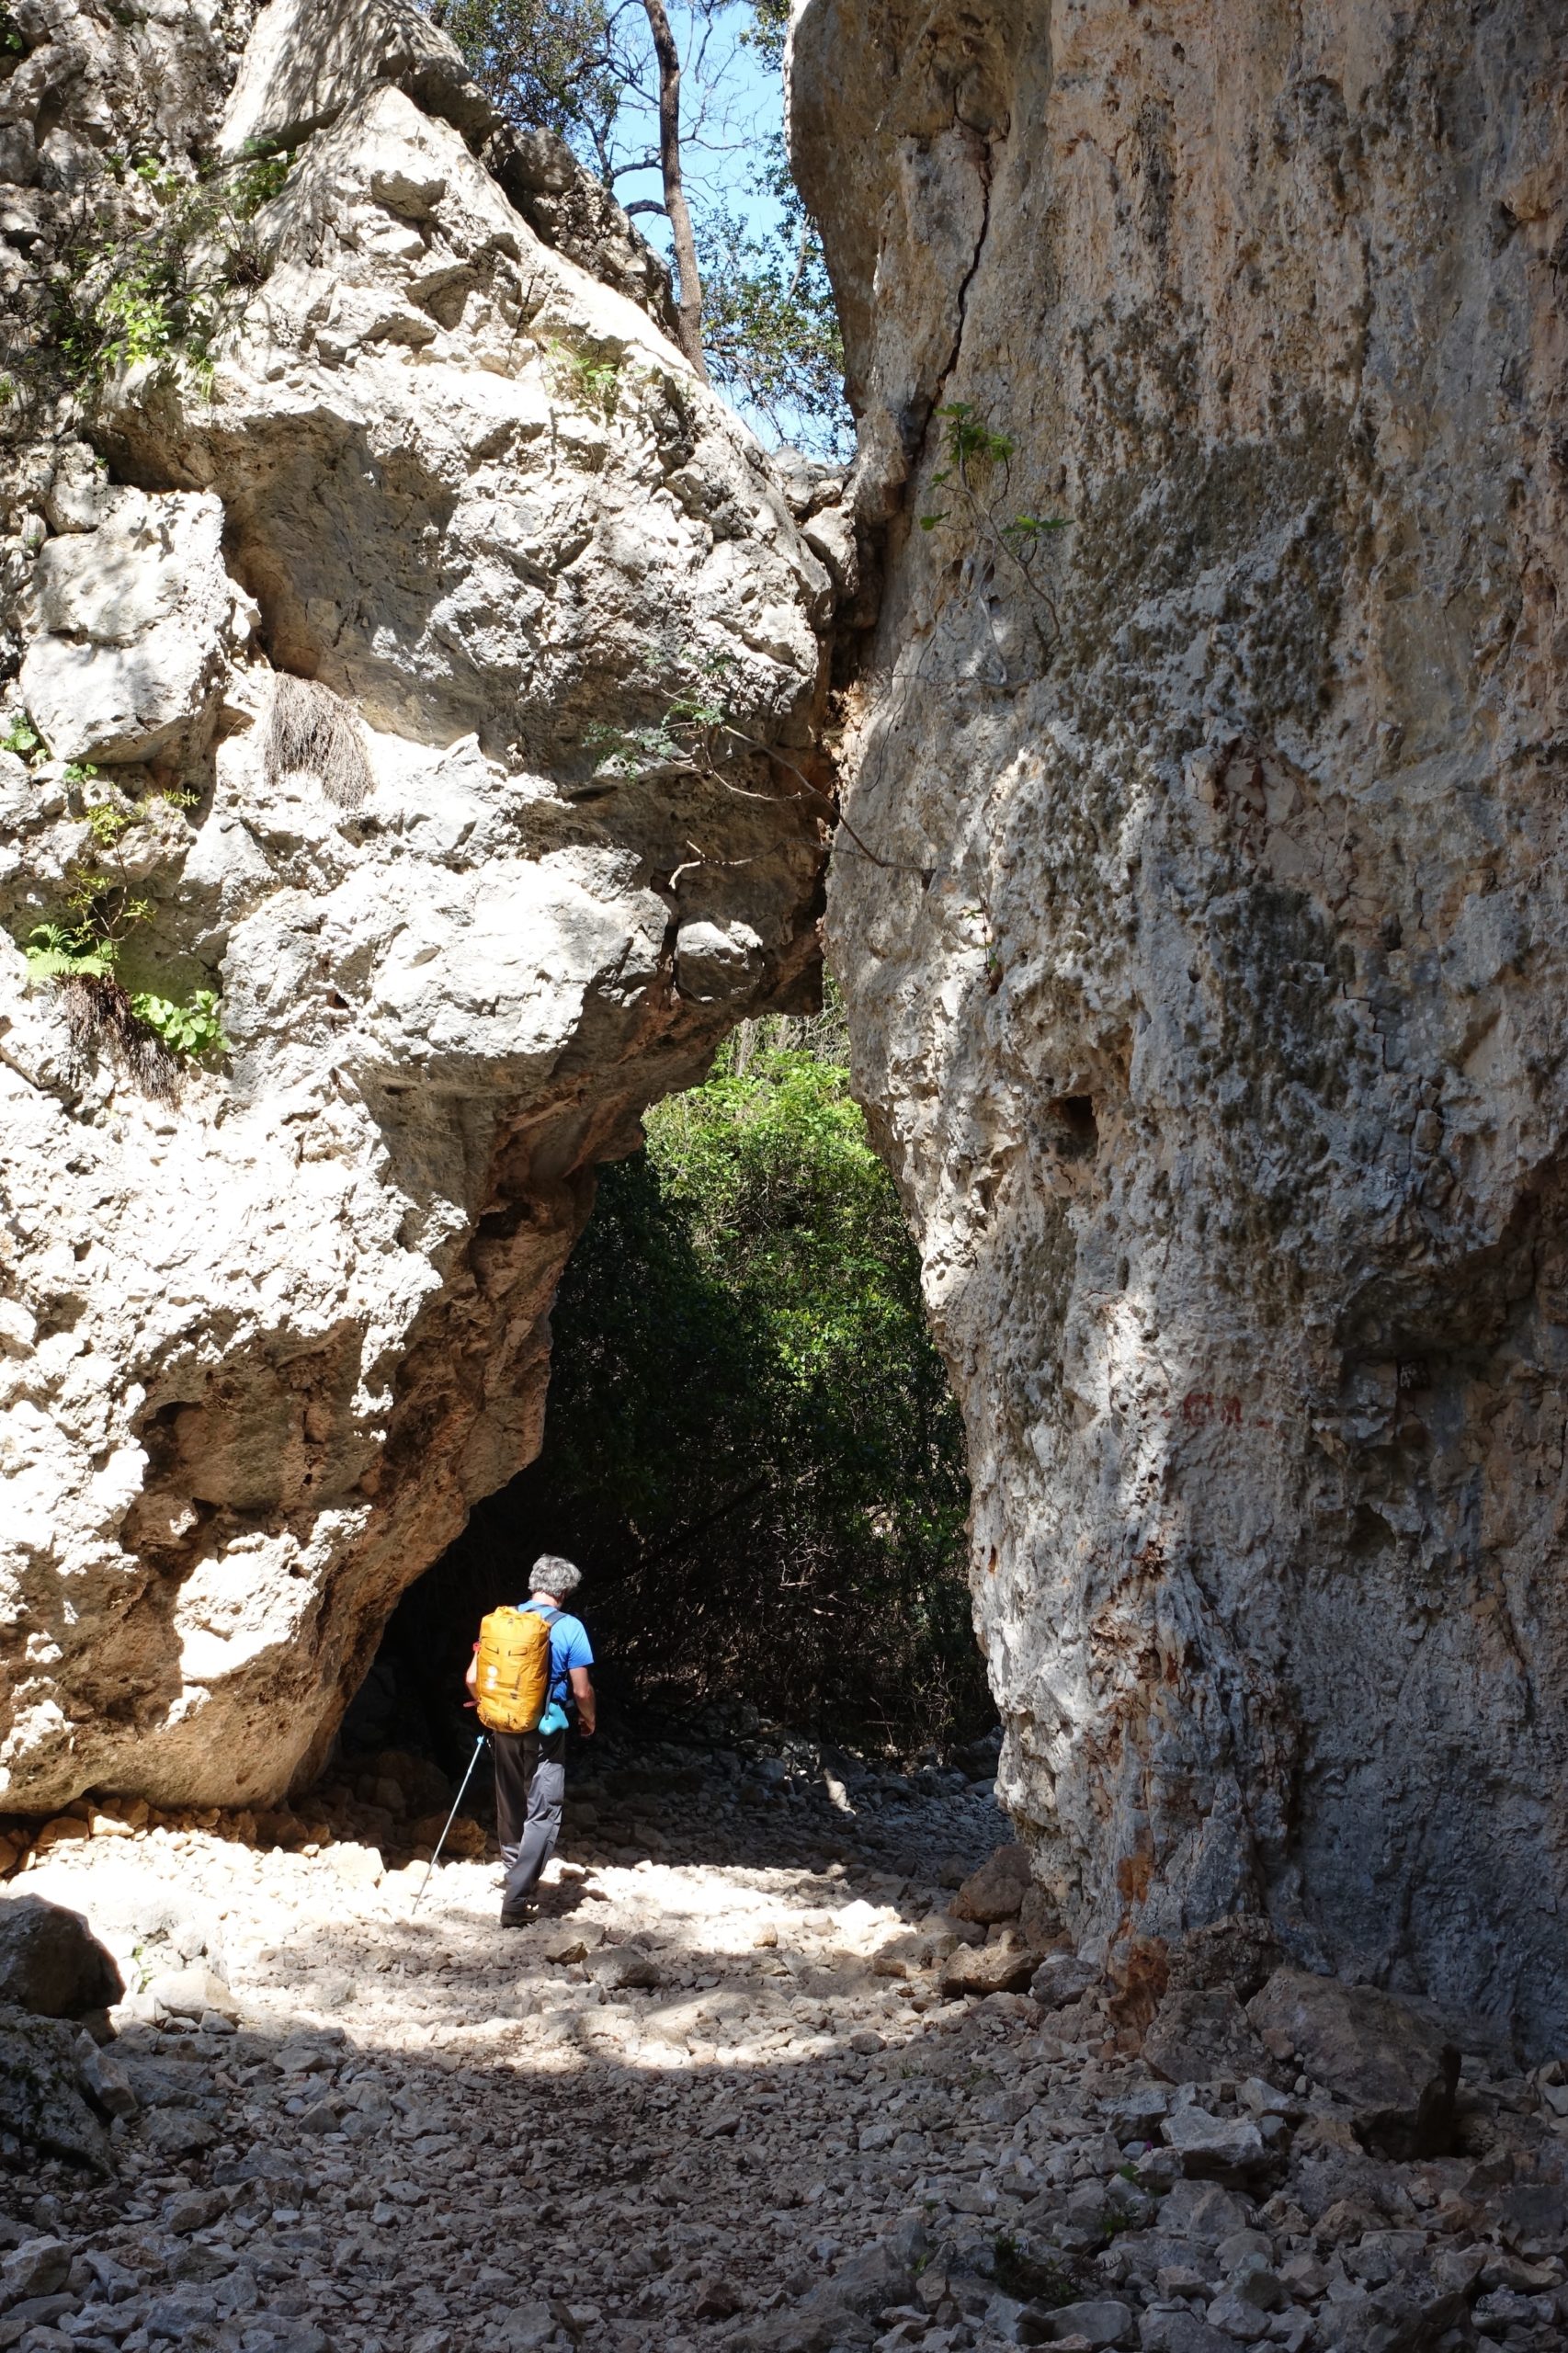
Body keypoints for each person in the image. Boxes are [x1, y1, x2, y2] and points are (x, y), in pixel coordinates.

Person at [466, 1553, 596, 1927]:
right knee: (544, 1812)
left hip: (502, 1725)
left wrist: (493, 1709)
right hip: (545, 1730)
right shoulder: (570, 1627)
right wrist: (589, 1719)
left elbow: (473, 1679)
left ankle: (514, 1875)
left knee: (510, 1803)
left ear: (533, 1583)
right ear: (565, 1591)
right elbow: (582, 1691)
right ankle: (516, 1900)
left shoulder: (500, 1622)